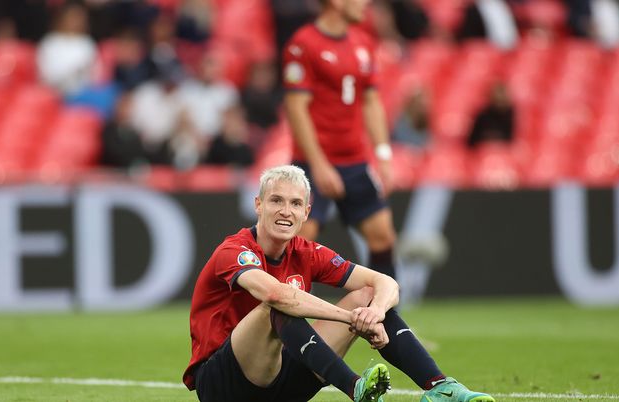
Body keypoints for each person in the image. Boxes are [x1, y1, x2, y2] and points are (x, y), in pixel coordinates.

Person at [183, 165, 495, 402]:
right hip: (223, 383)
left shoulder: (306, 252)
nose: (285, 211)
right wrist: (351, 319)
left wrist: (373, 312)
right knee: (277, 305)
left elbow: (385, 282)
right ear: (258, 205)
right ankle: (356, 387)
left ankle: (440, 387)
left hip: (281, 381)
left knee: (368, 296)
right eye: (276, 200)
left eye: (294, 204)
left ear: (306, 212)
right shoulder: (234, 250)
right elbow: (277, 294)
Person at [282, 0, 398, 280]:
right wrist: (319, 164)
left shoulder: (363, 42)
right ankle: (286, 319)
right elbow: (296, 107)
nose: (365, 4)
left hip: (354, 160)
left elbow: (371, 102)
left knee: (382, 237)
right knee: (300, 242)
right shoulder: (303, 44)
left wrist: (383, 155)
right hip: (312, 163)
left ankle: (385, 319)